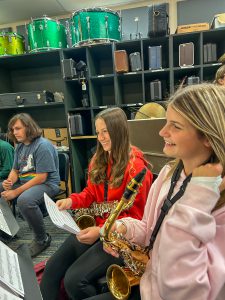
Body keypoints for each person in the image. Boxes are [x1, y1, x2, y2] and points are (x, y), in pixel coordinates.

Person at [91, 83, 225, 300]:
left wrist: (154, 263)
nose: (162, 132)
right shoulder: (167, 173)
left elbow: (198, 291)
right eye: (166, 122)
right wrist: (122, 227)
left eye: (176, 126)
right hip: (148, 283)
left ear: (208, 136)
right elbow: (148, 227)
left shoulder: (217, 201)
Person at [40, 107, 153, 300]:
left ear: (118, 131)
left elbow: (137, 218)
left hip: (121, 240)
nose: (100, 137)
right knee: (51, 269)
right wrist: (70, 201)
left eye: (105, 131)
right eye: (98, 132)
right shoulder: (98, 159)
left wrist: (100, 231)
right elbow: (90, 193)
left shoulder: (138, 169)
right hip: (98, 229)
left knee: (74, 281)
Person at [0, 113, 60, 257]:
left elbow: (41, 177)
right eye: (13, 130)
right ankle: (8, 231)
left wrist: (15, 192)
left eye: (18, 128)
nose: (14, 132)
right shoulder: (20, 147)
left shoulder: (43, 146)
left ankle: (42, 239)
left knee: (24, 200)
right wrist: (9, 182)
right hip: (25, 182)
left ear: (28, 127)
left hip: (47, 184)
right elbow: (15, 170)